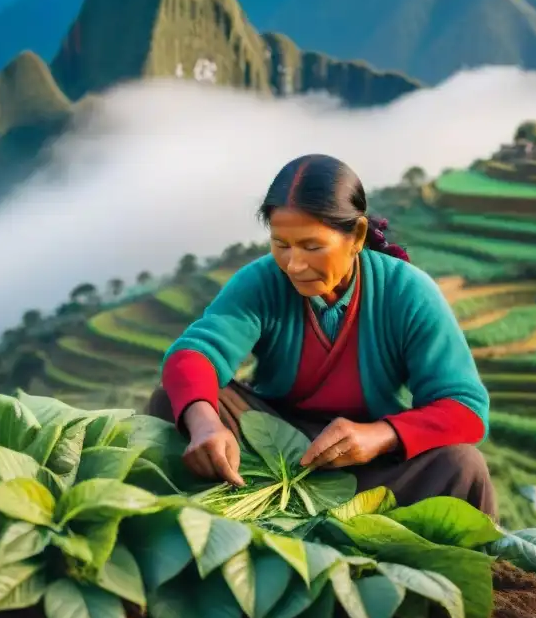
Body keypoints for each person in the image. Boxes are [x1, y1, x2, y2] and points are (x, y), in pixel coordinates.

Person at [147, 154, 498, 519]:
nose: (294, 265)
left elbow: (466, 409)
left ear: (356, 236)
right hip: (268, 444)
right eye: (281, 245)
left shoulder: (407, 292)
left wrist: (380, 436)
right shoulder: (263, 280)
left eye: (312, 247)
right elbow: (193, 356)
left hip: (367, 462)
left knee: (462, 466)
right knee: (175, 402)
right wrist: (205, 426)